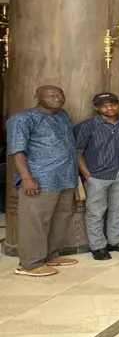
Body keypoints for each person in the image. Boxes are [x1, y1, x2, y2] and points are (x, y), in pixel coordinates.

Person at [7, 86, 80, 276]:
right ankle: (30, 264)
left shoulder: (62, 115)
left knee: (60, 218)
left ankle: (50, 255)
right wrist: (26, 177)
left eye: (59, 94)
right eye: (50, 95)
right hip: (40, 179)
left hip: (65, 177)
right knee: (35, 222)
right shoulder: (22, 119)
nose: (56, 98)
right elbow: (17, 150)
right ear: (37, 97)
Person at [76, 93, 119, 260]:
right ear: (96, 108)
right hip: (97, 175)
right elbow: (78, 152)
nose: (110, 108)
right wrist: (88, 175)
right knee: (96, 212)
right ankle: (98, 246)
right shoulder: (87, 126)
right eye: (104, 105)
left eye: (113, 104)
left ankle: (115, 242)